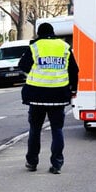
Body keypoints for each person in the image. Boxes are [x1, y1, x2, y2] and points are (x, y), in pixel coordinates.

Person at [18, 22, 79, 174]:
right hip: (58, 96)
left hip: (37, 96)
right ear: (53, 33)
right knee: (57, 130)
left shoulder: (35, 46)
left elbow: (23, 65)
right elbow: (74, 70)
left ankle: (32, 162)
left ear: (39, 33)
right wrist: (73, 90)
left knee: (35, 130)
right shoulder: (64, 47)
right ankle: (57, 164)